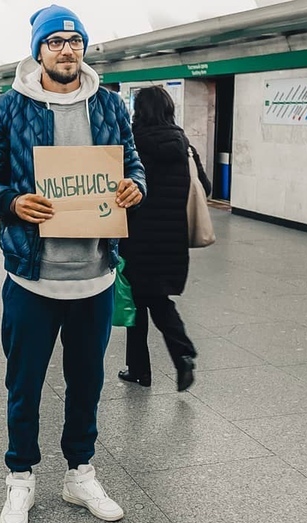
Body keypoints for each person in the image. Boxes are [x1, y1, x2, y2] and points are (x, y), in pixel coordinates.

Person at [0, 6, 146, 523]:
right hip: (31, 276)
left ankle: (79, 473)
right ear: (39, 50)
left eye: (75, 41)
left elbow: (132, 165)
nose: (67, 49)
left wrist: (136, 187)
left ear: (83, 49)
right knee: (24, 382)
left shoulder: (111, 107)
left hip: (95, 275)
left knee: (87, 381)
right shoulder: (8, 109)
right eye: (56, 41)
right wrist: (11, 201)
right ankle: (20, 478)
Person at [118, 85, 211, 391]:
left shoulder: (132, 144)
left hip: (137, 237)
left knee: (143, 302)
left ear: (138, 111)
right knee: (154, 299)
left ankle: (154, 363)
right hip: (172, 239)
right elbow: (205, 188)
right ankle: (163, 359)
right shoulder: (183, 144)